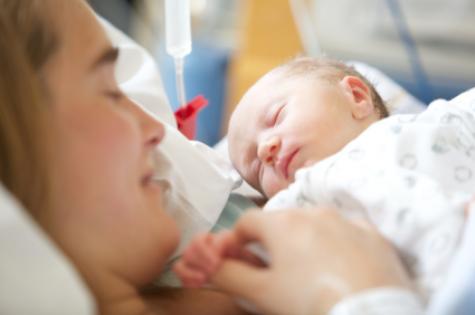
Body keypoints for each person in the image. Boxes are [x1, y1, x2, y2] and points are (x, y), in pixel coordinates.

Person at [174, 56, 475, 302]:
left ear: (356, 97)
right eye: (257, 169)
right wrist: (220, 257)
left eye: (277, 117)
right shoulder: (301, 204)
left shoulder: (431, 124)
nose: (266, 149)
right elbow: (280, 276)